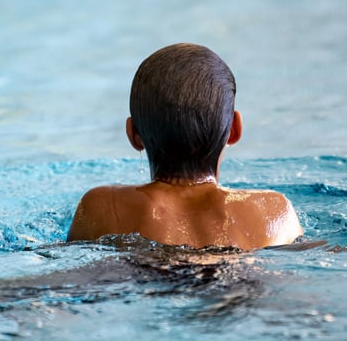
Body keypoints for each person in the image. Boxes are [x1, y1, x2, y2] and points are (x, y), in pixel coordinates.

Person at [67, 43, 303, 249]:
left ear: (133, 134)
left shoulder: (101, 207)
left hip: (145, 276)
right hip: (236, 278)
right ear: (234, 129)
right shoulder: (272, 211)